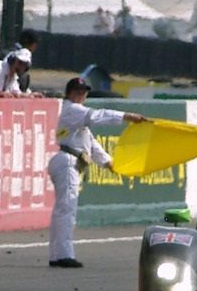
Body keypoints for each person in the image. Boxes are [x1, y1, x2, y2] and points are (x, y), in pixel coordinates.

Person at [48, 76, 145, 268]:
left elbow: (90, 142)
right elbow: (97, 115)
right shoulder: (72, 109)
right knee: (67, 209)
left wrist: (109, 163)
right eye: (78, 92)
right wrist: (126, 116)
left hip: (70, 159)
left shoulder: (77, 116)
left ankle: (57, 254)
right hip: (68, 161)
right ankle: (64, 255)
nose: (82, 95)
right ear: (69, 93)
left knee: (63, 209)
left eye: (84, 92)